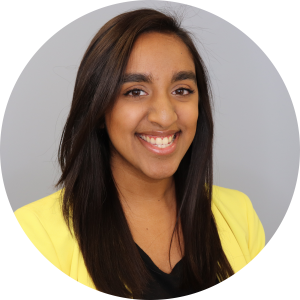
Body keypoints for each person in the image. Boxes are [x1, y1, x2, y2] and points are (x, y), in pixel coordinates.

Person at [1, 8, 280, 300]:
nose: (164, 116)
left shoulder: (239, 215)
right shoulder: (37, 232)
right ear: (98, 109)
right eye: (135, 91)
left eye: (182, 90)